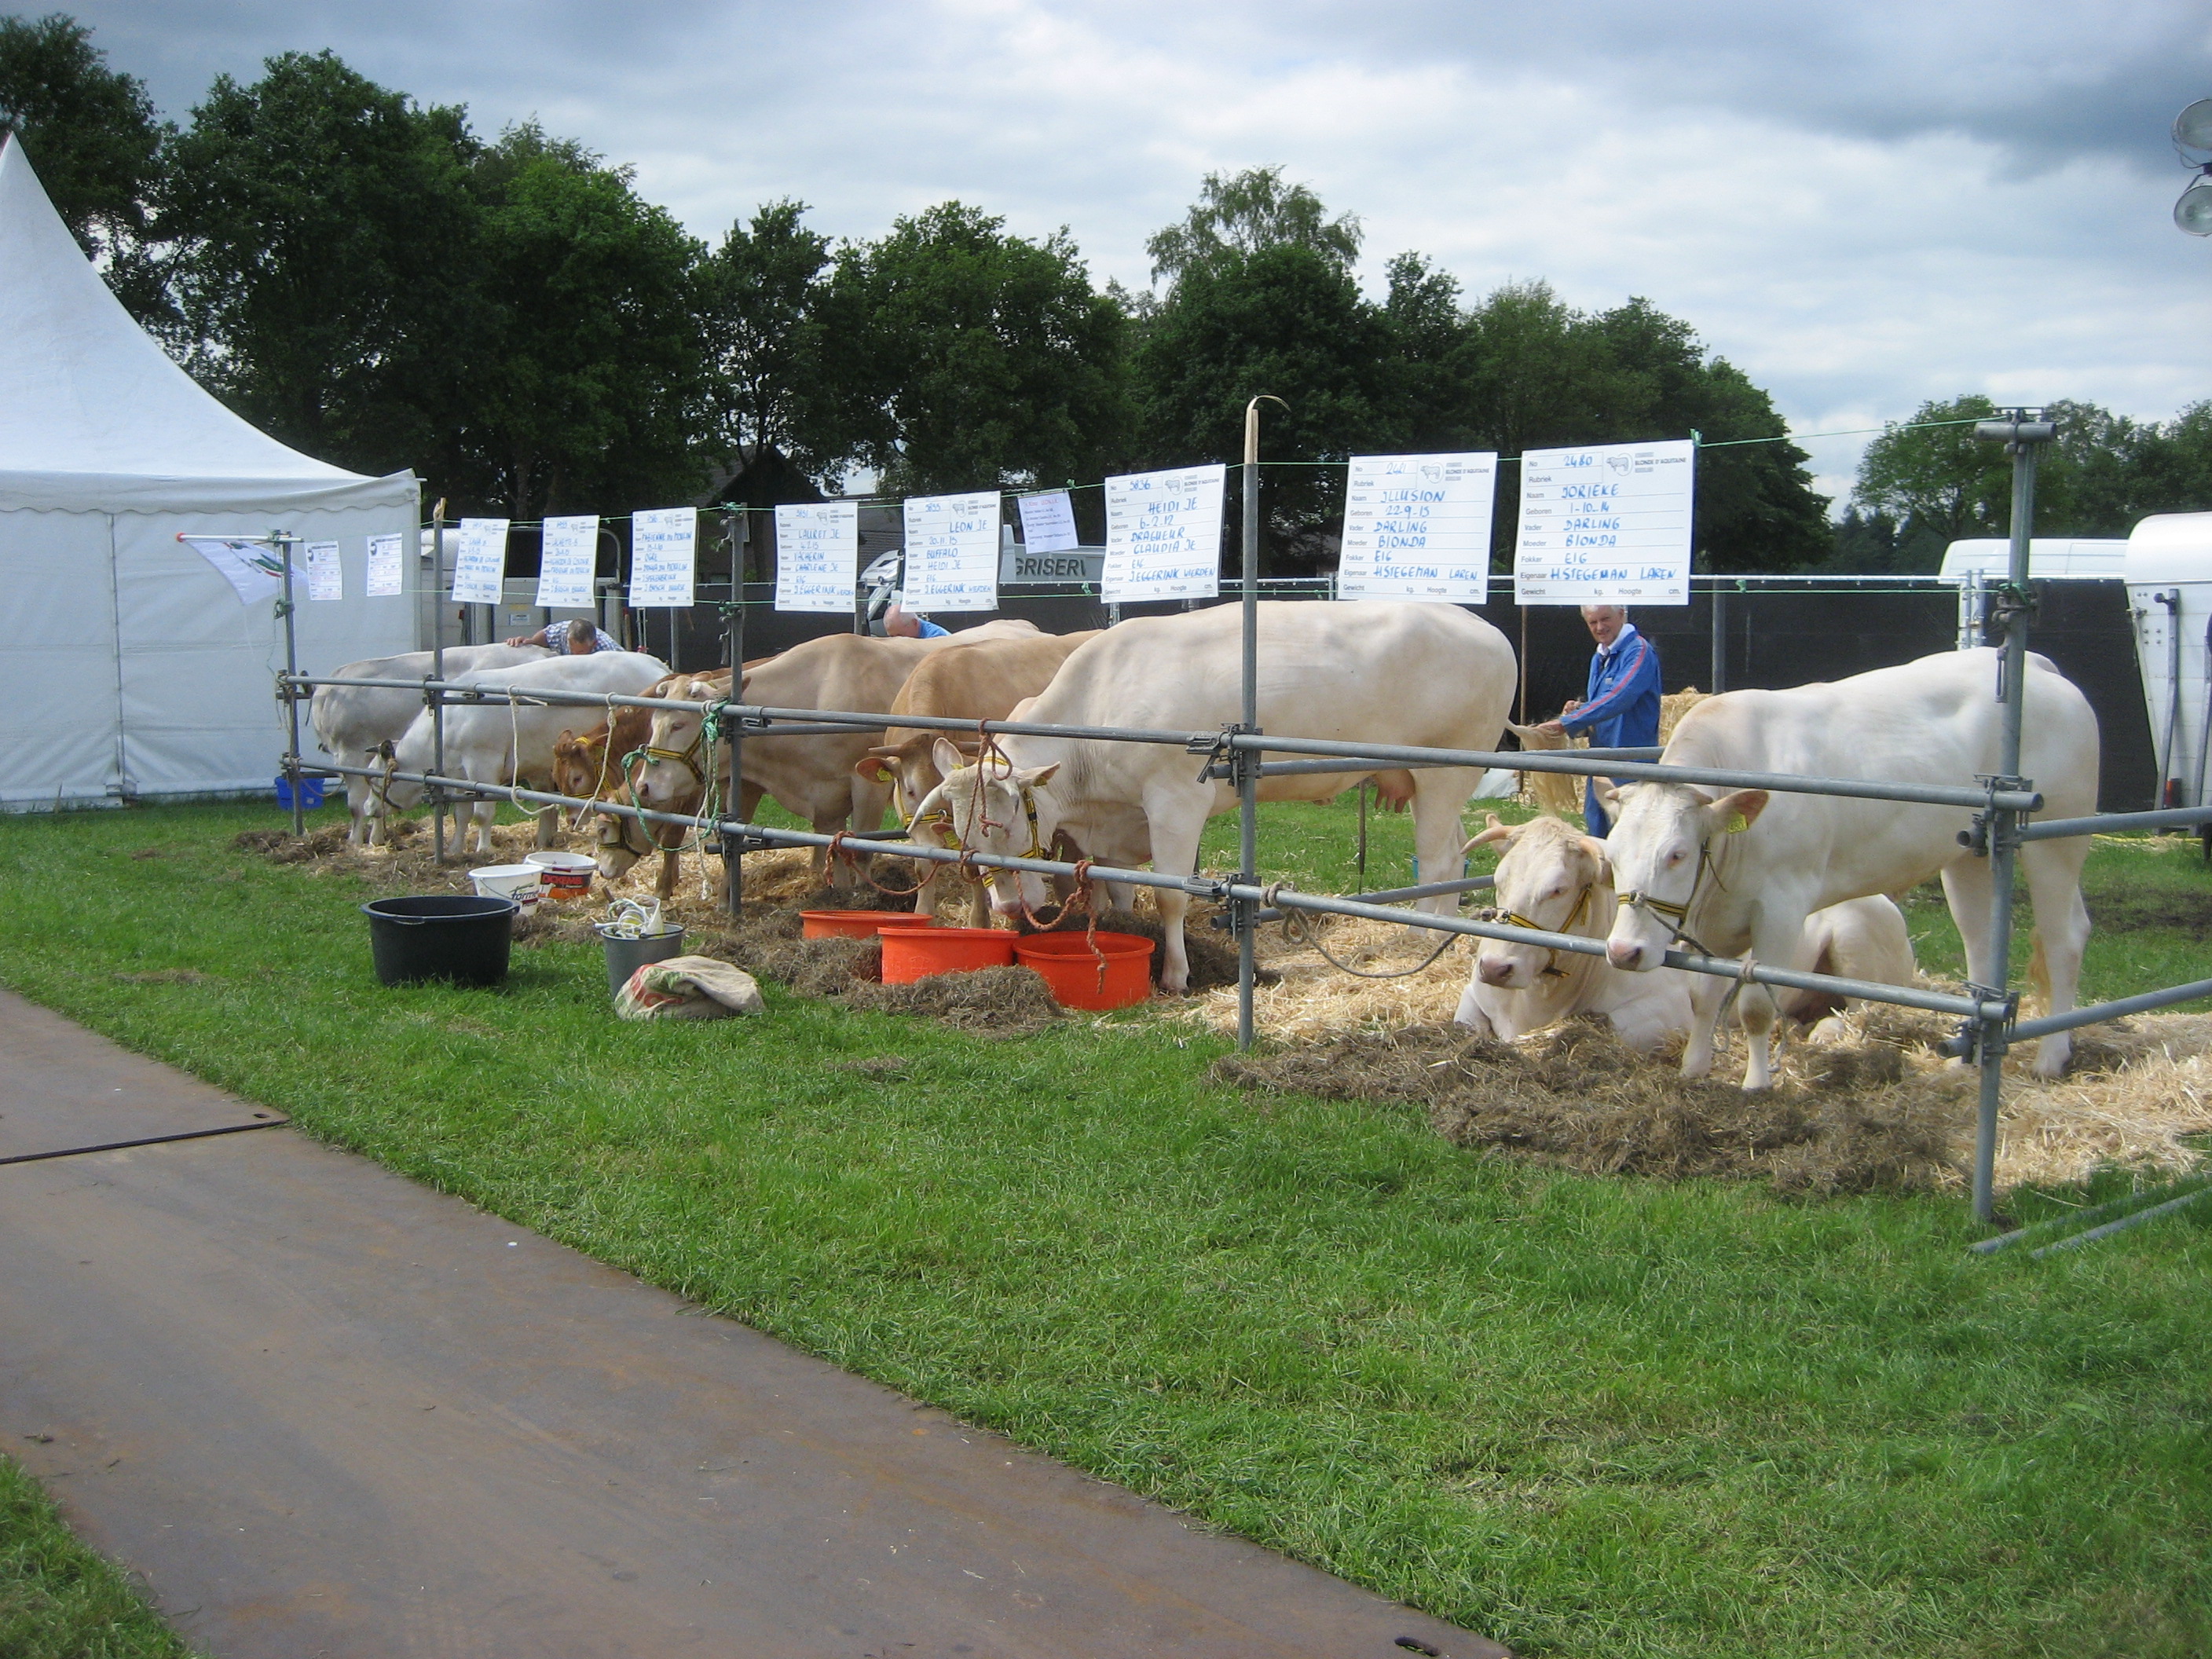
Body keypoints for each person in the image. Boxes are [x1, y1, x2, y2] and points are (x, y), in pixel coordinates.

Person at [1537, 602, 1660, 837]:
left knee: (1627, 837)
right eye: (1593, 622)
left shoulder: (1639, 650)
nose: (1599, 627)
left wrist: (1570, 722)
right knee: (1597, 836)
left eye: (1605, 619)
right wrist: (1578, 712)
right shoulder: (1600, 656)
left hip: (1631, 765)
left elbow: (1621, 696)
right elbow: (1604, 705)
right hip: (1600, 764)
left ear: (1622, 615)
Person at [506, 617, 621, 653]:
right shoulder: (560, 631)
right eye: (572, 650)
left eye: (581, 653)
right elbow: (544, 636)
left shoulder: (607, 650)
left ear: (594, 644)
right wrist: (527, 642)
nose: (576, 656)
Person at [880, 602, 947, 639]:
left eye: (900, 636)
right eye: (891, 637)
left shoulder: (937, 638)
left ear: (915, 623)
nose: (896, 641)